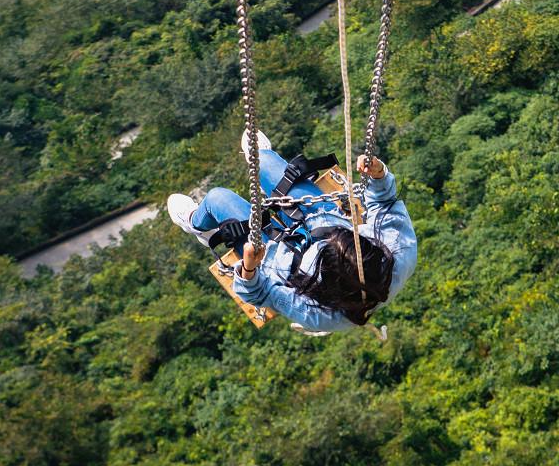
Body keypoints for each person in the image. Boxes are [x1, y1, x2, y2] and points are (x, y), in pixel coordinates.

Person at [166, 132, 417, 333]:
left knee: (216, 198)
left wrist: (249, 269)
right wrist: (378, 174)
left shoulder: (319, 314)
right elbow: (385, 203)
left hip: (278, 257)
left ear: (322, 279)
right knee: (262, 161)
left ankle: (196, 223)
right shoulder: (399, 255)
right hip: (320, 218)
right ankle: (265, 159)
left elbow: (259, 294)